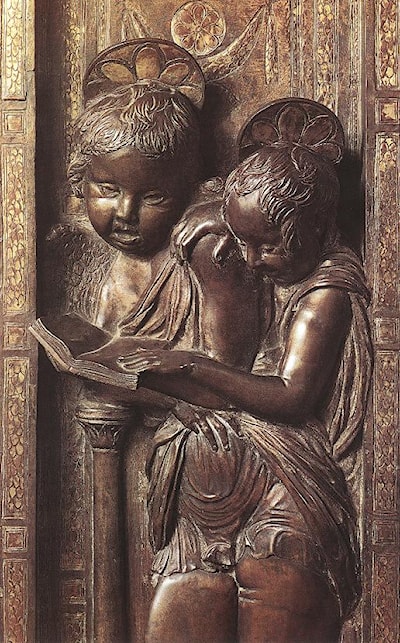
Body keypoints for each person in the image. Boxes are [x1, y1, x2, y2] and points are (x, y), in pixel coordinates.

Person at [118, 99, 373, 642]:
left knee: (275, 589)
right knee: (183, 609)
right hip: (208, 508)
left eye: (267, 246)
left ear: (316, 228)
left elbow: (290, 396)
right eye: (243, 242)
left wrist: (194, 367)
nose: (252, 260)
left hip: (287, 487)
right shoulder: (263, 256)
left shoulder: (325, 293)